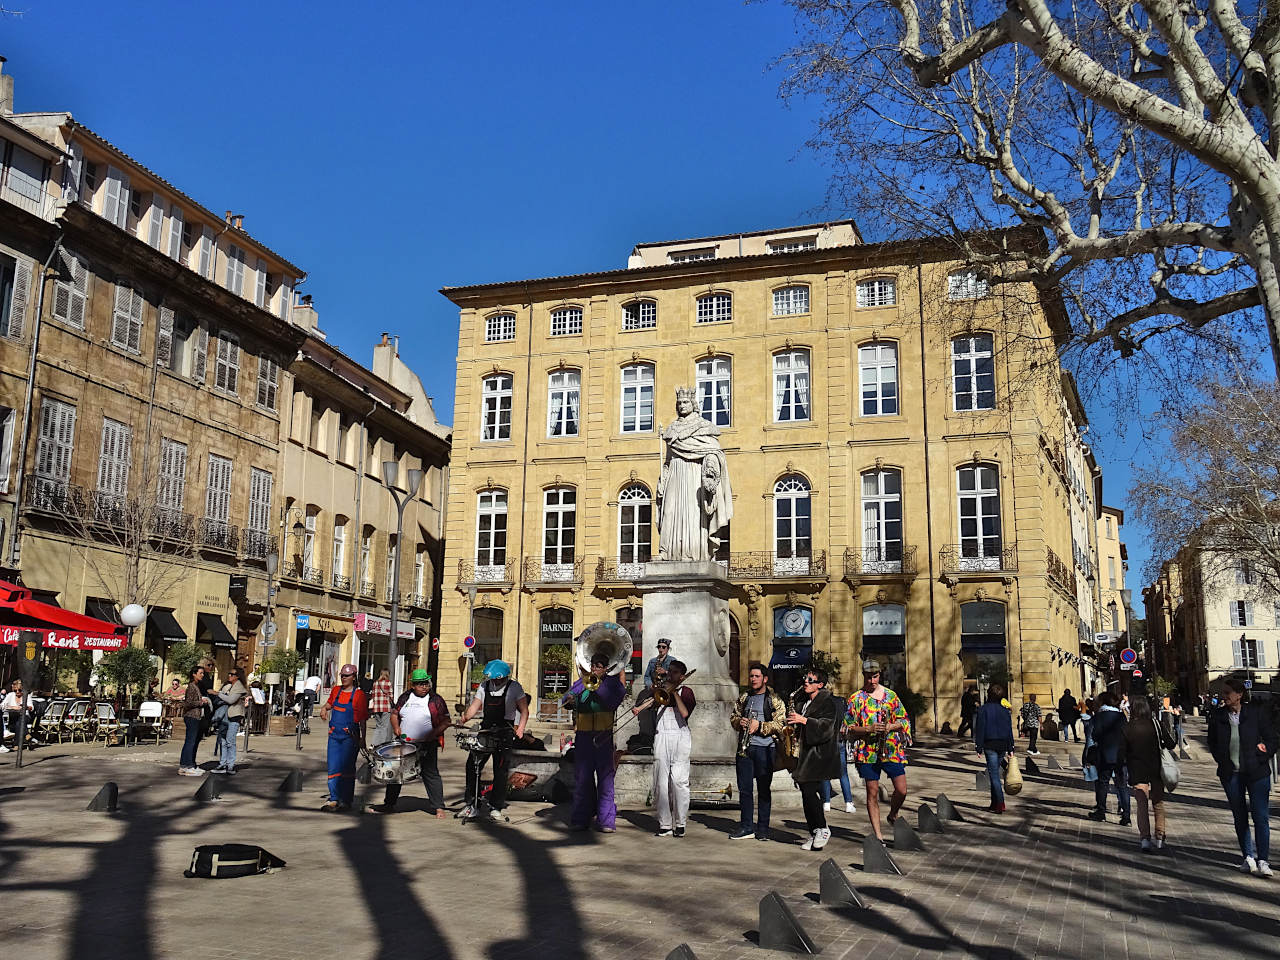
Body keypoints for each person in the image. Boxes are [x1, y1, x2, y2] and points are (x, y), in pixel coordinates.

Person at [1207, 677, 1278, 876]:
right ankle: (1248, 856)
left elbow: (1273, 738)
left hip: (1257, 772)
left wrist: (1265, 752)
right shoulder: (1218, 716)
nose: (1225, 696)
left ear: (1239, 695)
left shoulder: (1255, 714)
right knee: (1239, 816)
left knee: (1260, 816)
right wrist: (1221, 759)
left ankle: (1263, 860)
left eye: (1228, 693)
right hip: (1231, 774)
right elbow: (1212, 741)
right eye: (1223, 693)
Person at [369, 669, 452, 817]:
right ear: (413, 685)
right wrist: (396, 728)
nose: (424, 687)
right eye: (420, 684)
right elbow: (394, 715)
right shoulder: (405, 697)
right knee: (395, 774)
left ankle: (438, 807)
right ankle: (389, 804)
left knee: (431, 774)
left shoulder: (436, 699)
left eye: (426, 683)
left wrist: (434, 733)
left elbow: (446, 721)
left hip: (427, 743)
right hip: (404, 743)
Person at [846, 659, 912, 841]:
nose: (872, 681)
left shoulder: (891, 696)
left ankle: (893, 814)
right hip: (867, 751)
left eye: (875, 677)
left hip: (891, 748)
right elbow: (847, 727)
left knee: (902, 790)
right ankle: (879, 835)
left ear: (879, 675)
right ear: (863, 676)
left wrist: (891, 726)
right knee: (872, 792)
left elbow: (905, 720)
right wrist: (868, 729)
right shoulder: (855, 699)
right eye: (868, 677)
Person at [562, 652, 627, 832]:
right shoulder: (581, 683)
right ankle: (581, 818)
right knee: (582, 778)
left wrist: (597, 686)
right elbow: (566, 698)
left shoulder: (613, 684)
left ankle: (606, 820)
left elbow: (613, 702)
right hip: (583, 736)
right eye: (593, 666)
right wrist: (569, 700)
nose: (595, 669)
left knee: (606, 779)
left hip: (603, 736)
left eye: (599, 666)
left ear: (606, 669)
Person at [458, 659, 529, 821]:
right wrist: (464, 719)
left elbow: (524, 710)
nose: (495, 681)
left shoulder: (514, 687)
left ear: (504, 676)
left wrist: (520, 729)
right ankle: (472, 803)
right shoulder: (484, 686)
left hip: (505, 731)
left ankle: (496, 806)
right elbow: (475, 706)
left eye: (498, 679)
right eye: (493, 679)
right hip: (486, 730)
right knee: (473, 765)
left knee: (501, 771)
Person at [633, 658, 695, 837]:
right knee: (660, 781)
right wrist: (640, 708)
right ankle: (665, 823)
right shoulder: (661, 689)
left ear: (682, 676)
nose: (670, 674)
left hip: (680, 736)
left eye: (675, 672)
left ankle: (680, 822)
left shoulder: (687, 692)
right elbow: (652, 703)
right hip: (662, 735)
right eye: (670, 671)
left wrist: (674, 693)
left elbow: (684, 713)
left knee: (679, 781)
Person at [729, 662, 787, 840]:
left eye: (757, 676)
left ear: (765, 679)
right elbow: (733, 717)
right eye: (751, 676)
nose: (753, 679)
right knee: (745, 790)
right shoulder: (745, 697)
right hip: (745, 749)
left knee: (763, 790)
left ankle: (763, 829)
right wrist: (740, 722)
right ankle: (746, 827)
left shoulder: (774, 699)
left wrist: (760, 726)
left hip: (765, 749)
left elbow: (781, 724)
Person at [788, 666, 840, 851]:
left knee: (809, 791)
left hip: (819, 755)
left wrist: (804, 721)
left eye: (810, 680)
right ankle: (814, 830)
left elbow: (827, 727)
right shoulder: (803, 702)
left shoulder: (828, 703)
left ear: (820, 684)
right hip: (804, 753)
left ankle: (823, 828)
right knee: (806, 793)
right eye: (805, 679)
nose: (806, 682)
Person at [1124, 696, 1175, 852]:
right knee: (1158, 804)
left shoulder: (1128, 727)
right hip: (1157, 769)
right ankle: (1160, 838)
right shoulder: (1156, 724)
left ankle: (1145, 839)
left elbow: (1122, 751)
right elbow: (1171, 743)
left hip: (1137, 769)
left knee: (1142, 805)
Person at [320, 664, 368, 812]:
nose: (344, 678)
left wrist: (363, 738)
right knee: (333, 767)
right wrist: (323, 708)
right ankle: (334, 798)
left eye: (346, 676)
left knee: (346, 769)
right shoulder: (336, 691)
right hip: (334, 736)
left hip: (350, 737)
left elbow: (362, 720)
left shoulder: (359, 695)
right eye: (342, 675)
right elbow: (330, 704)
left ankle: (346, 800)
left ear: (354, 677)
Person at [1088, 691, 1130, 825]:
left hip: (1104, 755)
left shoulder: (1098, 717)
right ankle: (1126, 817)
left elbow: (1094, 735)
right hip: (1121, 756)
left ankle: (1101, 812)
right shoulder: (1121, 717)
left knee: (1103, 783)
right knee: (1122, 786)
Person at [974, 682, 1016, 813]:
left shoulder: (983, 710)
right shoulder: (1005, 711)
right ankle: (994, 802)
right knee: (994, 772)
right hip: (1002, 744)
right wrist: (1011, 747)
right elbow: (1009, 730)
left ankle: (1000, 802)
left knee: (994, 775)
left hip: (990, 744)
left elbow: (980, 729)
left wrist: (978, 746)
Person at [820, 684, 855, 814]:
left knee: (825, 774)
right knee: (843, 774)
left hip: (825, 742)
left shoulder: (819, 703)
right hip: (838, 740)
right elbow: (847, 720)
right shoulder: (841, 701)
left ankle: (826, 802)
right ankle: (848, 803)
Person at [211, 667, 248, 774]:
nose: (229, 676)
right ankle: (222, 763)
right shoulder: (227, 686)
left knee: (230, 741)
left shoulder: (239, 687)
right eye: (229, 674)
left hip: (234, 716)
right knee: (222, 740)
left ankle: (230, 765)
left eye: (232, 674)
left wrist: (218, 693)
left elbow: (231, 700)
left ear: (237, 676)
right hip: (224, 716)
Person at [179, 665, 211, 776]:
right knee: (190, 741)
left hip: (196, 716)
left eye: (203, 673)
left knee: (194, 741)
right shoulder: (191, 687)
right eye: (200, 673)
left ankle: (190, 764)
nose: (202, 675)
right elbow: (188, 703)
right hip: (191, 716)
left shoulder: (197, 686)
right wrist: (200, 702)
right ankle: (186, 765)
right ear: (194, 674)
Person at [1, 680, 32, 749]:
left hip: (24, 716)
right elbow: (2, 705)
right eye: (15, 690)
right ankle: (26, 733)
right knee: (18, 723)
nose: (17, 692)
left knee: (19, 723)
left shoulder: (27, 696)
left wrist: (25, 707)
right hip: (13, 718)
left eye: (20, 690)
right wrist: (12, 707)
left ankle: (16, 744)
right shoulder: (10, 695)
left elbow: (31, 707)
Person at [369, 668, 394, 747]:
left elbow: (372, 695)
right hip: (385, 707)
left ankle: (373, 744)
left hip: (376, 707)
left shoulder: (375, 683)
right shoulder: (388, 683)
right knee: (384, 727)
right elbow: (391, 696)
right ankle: (381, 745)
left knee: (378, 726)